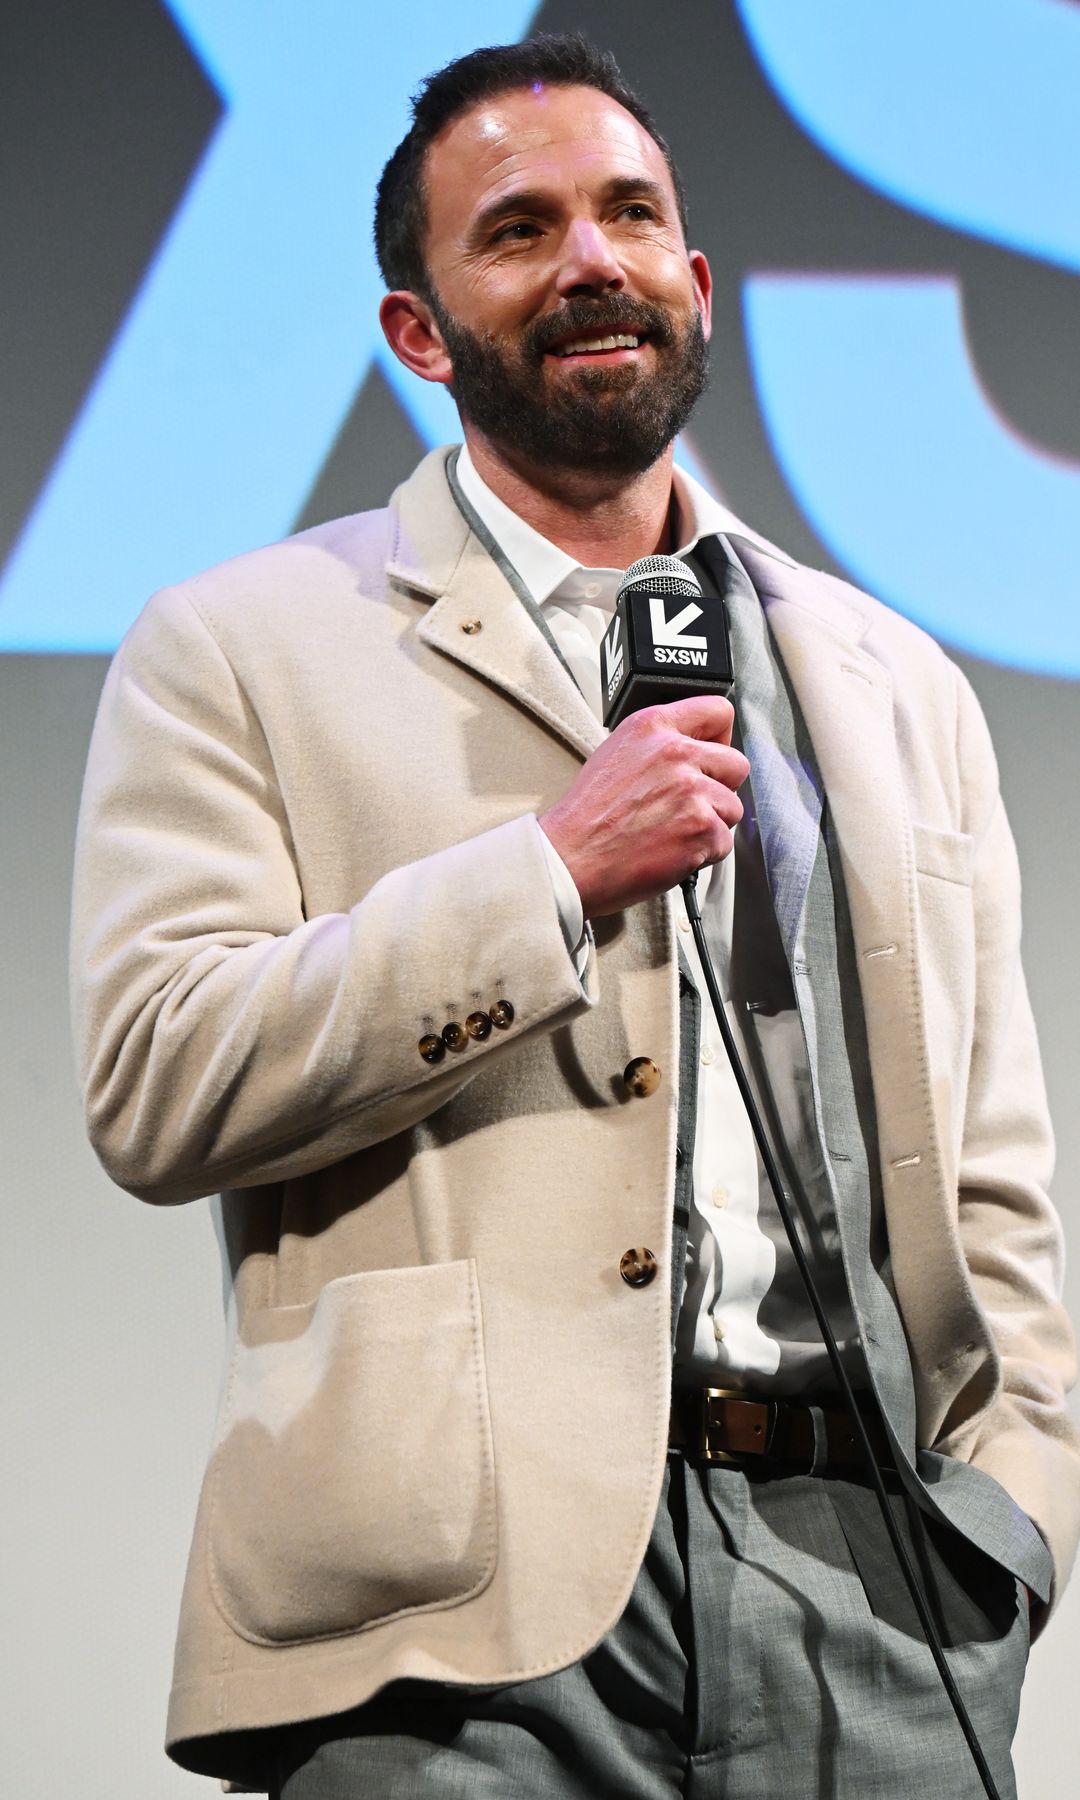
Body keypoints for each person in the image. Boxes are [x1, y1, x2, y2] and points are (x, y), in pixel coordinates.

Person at [71, 33, 1079, 1800]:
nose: (590, 260)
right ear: (417, 329)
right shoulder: (238, 645)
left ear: (696, 284)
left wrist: (1015, 1525)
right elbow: (161, 1080)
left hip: (878, 1592)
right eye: (519, 231)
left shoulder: (893, 679)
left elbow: (997, 1185)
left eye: (628, 217)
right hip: (454, 1615)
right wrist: (547, 873)